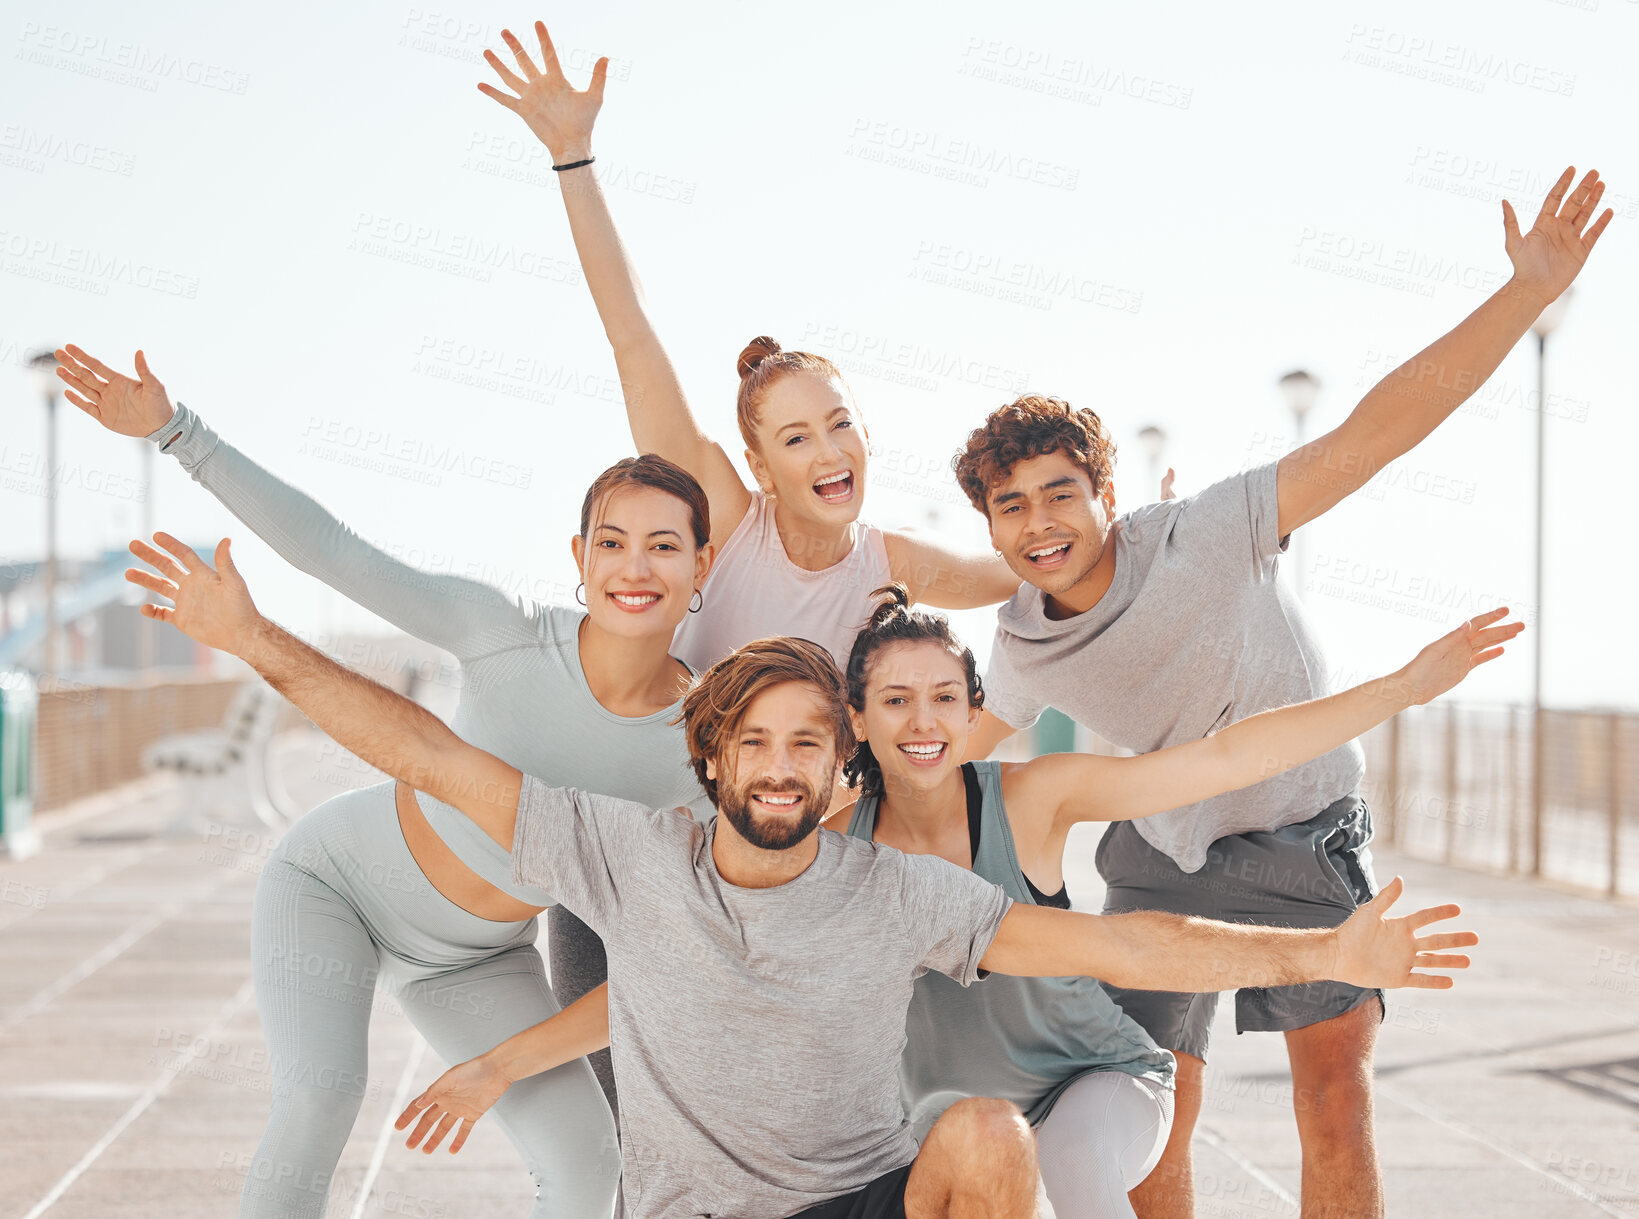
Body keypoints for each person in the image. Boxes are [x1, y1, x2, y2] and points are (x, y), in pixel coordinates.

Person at [388, 583, 1515, 1216]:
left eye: (943, 696)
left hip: (1087, 1080)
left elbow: (1213, 769)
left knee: (1067, 1171)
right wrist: (504, 1061)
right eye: (891, 700)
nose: (921, 721)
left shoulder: (1027, 798)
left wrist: (1400, 690)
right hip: (942, 1116)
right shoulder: (826, 840)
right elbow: (677, 977)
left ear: (972, 707)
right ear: (857, 725)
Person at [951, 165, 1612, 1218]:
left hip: (1306, 836)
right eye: (1011, 505)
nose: (1039, 522)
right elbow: (928, 758)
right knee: (1151, 1108)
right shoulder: (1023, 649)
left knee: (1335, 1102)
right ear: (989, 525)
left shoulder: (1204, 534)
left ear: (1106, 495)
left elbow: (1371, 435)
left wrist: (1526, 292)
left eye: (1060, 493)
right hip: (1167, 861)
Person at [54, 344, 724, 1216]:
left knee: (587, 1156)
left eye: (664, 546)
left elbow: (676, 958)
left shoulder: (700, 748)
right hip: (337, 886)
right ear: (581, 554)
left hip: (477, 957)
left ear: (701, 567)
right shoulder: (505, 632)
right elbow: (335, 550)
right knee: (321, 1095)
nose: (635, 568)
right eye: (613, 542)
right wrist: (181, 433)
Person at [477, 19, 1023, 680]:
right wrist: (572, 154)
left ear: (867, 436)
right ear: (759, 469)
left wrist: (1151, 530)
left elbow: (1034, 563)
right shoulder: (731, 523)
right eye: (793, 440)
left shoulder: (891, 565)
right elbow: (631, 333)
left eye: (838, 423)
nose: (826, 450)